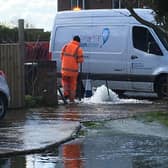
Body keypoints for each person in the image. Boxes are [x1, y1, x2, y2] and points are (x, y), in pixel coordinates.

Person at [61, 35, 84, 103]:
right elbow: (80, 61)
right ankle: (71, 100)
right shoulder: (78, 49)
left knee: (65, 82)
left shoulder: (65, 46)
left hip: (64, 70)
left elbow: (61, 57)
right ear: (79, 41)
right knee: (72, 85)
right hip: (73, 71)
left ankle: (66, 95)